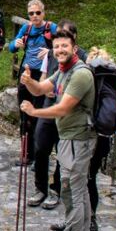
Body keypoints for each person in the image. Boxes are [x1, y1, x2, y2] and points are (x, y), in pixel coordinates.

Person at [20, 31, 96, 231]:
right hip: (69, 139)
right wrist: (29, 81)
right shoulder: (63, 70)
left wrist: (35, 112)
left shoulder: (80, 74)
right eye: (57, 46)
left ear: (74, 48)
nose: (60, 50)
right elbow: (42, 88)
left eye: (65, 46)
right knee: (78, 191)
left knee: (71, 193)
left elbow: (63, 108)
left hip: (78, 140)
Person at [51, 45, 110, 231]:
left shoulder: (84, 75)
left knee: (76, 187)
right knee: (86, 182)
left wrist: (35, 112)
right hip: (100, 135)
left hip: (82, 136)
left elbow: (64, 106)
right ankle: (86, 229)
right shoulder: (108, 81)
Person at [30, 19, 86, 210]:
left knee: (63, 153)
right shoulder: (53, 55)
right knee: (40, 146)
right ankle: (40, 188)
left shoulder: (82, 61)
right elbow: (44, 79)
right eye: (58, 38)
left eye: (65, 38)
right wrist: (38, 86)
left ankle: (56, 190)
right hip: (49, 103)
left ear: (74, 40)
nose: (60, 45)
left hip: (68, 112)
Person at [8, 0, 57, 164]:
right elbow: (11, 48)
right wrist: (16, 43)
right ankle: (26, 155)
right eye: (31, 13)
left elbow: (65, 48)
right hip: (26, 74)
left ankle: (40, 155)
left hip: (44, 75)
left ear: (43, 13)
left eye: (38, 12)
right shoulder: (26, 28)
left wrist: (50, 52)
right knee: (25, 114)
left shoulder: (52, 28)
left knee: (40, 115)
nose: (35, 16)